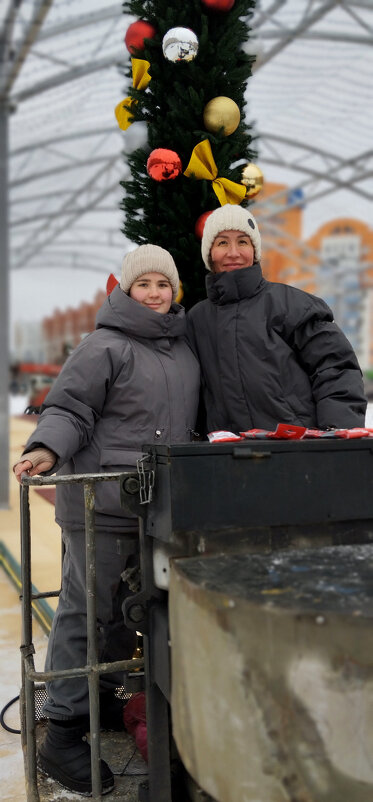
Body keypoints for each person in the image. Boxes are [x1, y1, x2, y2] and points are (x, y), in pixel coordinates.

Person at [14, 244, 200, 796]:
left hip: (154, 508)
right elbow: (71, 407)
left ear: (174, 292)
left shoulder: (183, 351)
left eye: (163, 285)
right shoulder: (104, 345)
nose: (154, 293)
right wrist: (46, 449)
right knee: (84, 612)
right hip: (101, 506)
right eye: (143, 284)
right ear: (123, 290)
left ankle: (99, 696)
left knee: (125, 614)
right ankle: (63, 737)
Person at [187, 204, 367, 435]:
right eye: (222, 242)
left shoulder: (292, 305)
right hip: (229, 460)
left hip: (296, 453)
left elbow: (336, 367)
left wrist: (336, 435)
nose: (233, 252)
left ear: (254, 250)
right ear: (209, 253)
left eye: (243, 241)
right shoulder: (196, 319)